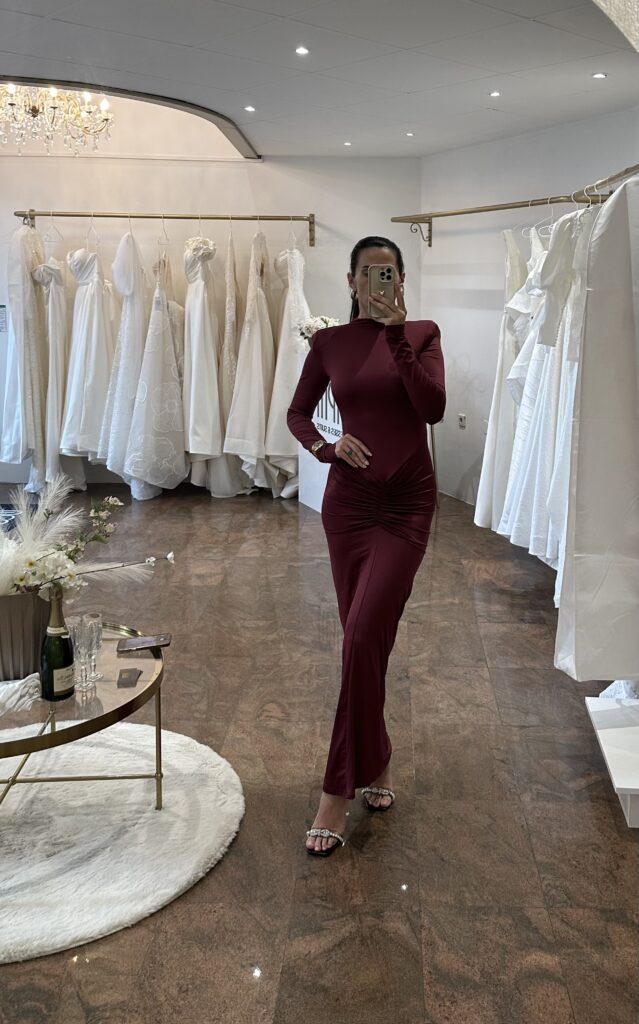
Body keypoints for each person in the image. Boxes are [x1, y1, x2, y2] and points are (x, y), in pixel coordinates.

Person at [287, 235, 446, 857]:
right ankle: (375, 761)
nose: (379, 281)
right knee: (365, 639)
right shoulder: (329, 343)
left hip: (407, 504)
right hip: (349, 506)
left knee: (359, 638)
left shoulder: (424, 334)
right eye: (368, 273)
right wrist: (326, 448)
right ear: (352, 281)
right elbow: (298, 414)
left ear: (401, 280)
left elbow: (431, 408)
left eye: (390, 272)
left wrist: (399, 337)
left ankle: (336, 789)